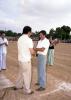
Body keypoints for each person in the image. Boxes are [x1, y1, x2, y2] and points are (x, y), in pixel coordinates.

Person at [14, 26, 35, 95]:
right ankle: (27, 90)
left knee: (21, 73)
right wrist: (34, 53)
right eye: (31, 31)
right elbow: (32, 51)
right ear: (28, 32)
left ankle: (18, 86)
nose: (31, 33)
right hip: (26, 60)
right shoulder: (29, 40)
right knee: (27, 75)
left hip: (20, 59)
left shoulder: (19, 38)